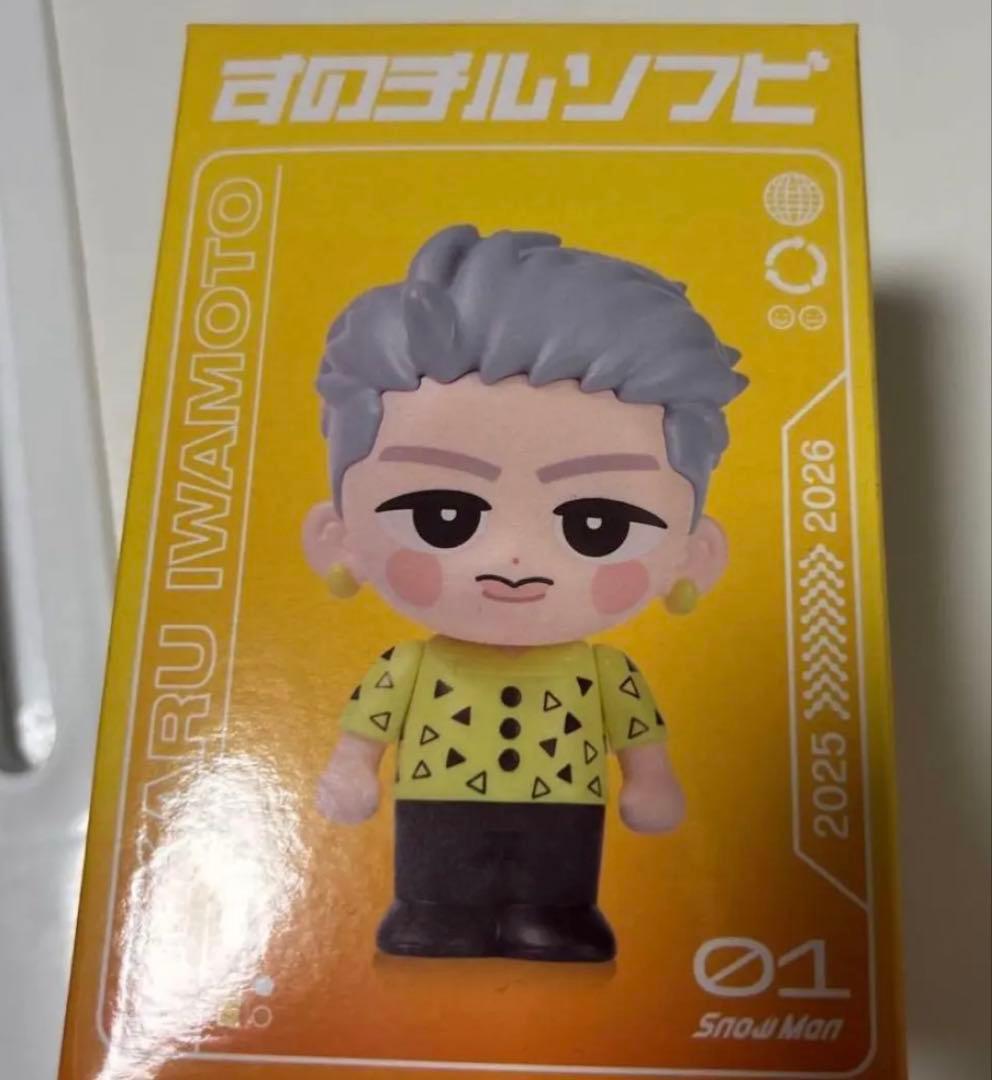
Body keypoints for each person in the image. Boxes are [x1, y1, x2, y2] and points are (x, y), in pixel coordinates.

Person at [303, 224, 747, 961]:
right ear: (338, 537)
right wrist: (351, 767)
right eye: (443, 517)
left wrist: (651, 782)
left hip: (564, 807)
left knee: (557, 878)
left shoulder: (605, 675)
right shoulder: (409, 668)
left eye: (598, 525)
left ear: (692, 557)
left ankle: (556, 915)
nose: (514, 560)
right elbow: (366, 731)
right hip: (439, 800)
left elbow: (639, 739)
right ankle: (434, 912)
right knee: (437, 882)